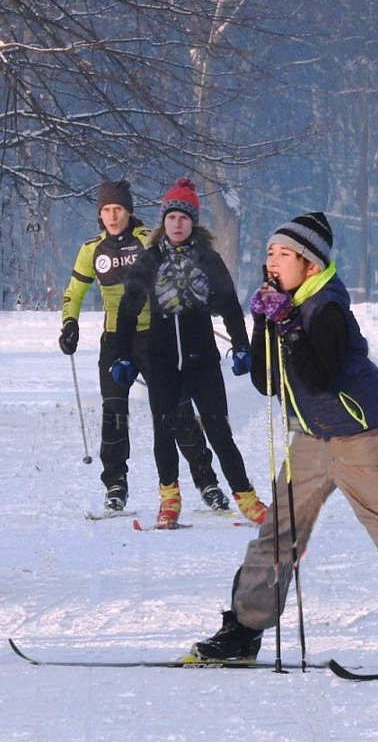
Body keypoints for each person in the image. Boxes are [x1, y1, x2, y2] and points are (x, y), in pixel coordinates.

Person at [188, 212, 378, 672]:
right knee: (276, 537)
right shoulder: (288, 301)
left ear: (311, 265)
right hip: (309, 440)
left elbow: (320, 376)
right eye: (268, 253)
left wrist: (290, 326)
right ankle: (244, 630)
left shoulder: (328, 306)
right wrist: (265, 322)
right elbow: (266, 381)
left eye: (282, 254)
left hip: (357, 439)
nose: (271, 261)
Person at [59, 179, 229, 513]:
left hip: (155, 337)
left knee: (177, 411)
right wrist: (70, 323)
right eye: (106, 210)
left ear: (129, 211)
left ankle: (206, 481)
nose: (112, 216)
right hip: (114, 340)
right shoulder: (91, 249)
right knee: (114, 412)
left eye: (118, 209)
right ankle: (116, 485)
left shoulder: (147, 239)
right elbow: (73, 293)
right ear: (99, 215)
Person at [111, 178, 267, 526]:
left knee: (219, 431)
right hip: (161, 360)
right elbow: (127, 310)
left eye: (183, 218)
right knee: (164, 430)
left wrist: (241, 347)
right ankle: (169, 499)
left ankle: (247, 499)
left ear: (193, 222)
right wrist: (122, 355)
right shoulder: (149, 260)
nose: (177, 224)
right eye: (171, 218)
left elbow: (228, 305)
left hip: (203, 362)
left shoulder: (208, 259)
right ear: (162, 223)